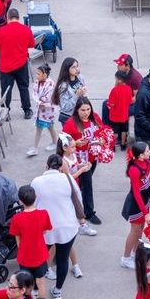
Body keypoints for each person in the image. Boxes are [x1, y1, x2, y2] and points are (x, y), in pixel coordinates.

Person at [31, 153, 81, 299]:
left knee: (40, 258)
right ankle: (58, 290)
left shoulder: (36, 181)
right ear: (60, 167)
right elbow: (78, 199)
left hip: (44, 228)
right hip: (68, 226)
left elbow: (31, 202)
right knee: (63, 258)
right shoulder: (68, 178)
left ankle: (35, 288)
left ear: (46, 166)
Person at [62, 96, 105, 227]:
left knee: (82, 184)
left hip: (93, 157)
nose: (86, 112)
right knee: (87, 185)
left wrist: (102, 139)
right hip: (80, 161)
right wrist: (75, 143)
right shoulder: (70, 123)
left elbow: (102, 131)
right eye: (82, 110)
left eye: (88, 109)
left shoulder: (95, 117)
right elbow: (63, 141)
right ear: (77, 110)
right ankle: (89, 212)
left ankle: (75, 203)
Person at [121, 141, 150, 268]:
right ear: (140, 155)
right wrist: (145, 214)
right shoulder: (134, 169)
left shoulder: (147, 163)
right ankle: (125, 258)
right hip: (136, 203)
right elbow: (136, 193)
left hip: (145, 200)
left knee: (140, 230)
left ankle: (135, 253)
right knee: (134, 231)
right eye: (147, 150)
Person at [11, 185, 54, 298]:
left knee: (25, 285)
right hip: (40, 253)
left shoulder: (17, 218)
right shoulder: (43, 214)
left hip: (25, 256)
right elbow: (45, 230)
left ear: (20, 202)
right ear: (36, 196)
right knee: (41, 283)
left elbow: (17, 238)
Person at [0, 9, 35, 118]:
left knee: (6, 90)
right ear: (19, 17)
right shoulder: (26, 30)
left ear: (8, 17)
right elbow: (31, 44)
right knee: (23, 87)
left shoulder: (2, 31)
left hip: (6, 66)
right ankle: (27, 110)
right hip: (21, 64)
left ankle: (5, 112)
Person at [28, 64, 58, 156]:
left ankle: (53, 143)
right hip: (41, 110)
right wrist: (39, 101)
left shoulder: (51, 84)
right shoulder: (38, 82)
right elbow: (34, 93)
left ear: (45, 75)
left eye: (38, 74)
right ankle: (36, 147)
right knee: (42, 128)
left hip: (48, 111)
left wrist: (41, 102)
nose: (36, 76)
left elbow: (48, 98)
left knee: (48, 127)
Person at [106, 71, 133, 151]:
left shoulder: (114, 90)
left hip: (115, 115)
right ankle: (123, 144)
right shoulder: (128, 89)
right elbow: (129, 100)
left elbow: (111, 104)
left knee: (114, 131)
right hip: (124, 114)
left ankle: (113, 146)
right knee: (124, 130)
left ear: (119, 80)